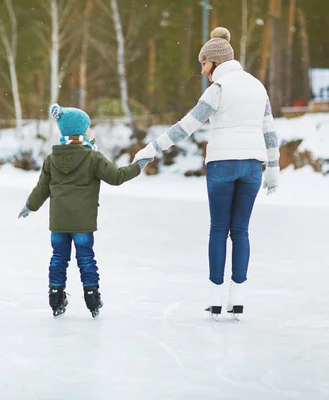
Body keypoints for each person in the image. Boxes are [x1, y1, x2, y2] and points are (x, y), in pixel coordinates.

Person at [133, 27, 280, 319]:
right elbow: (269, 130)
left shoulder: (218, 89)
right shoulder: (257, 86)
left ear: (215, 61)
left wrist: (152, 148)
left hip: (223, 165)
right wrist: (273, 169)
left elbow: (187, 125)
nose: (202, 71)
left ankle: (215, 299)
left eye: (203, 63)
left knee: (218, 229)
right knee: (240, 231)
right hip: (252, 165)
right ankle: (237, 299)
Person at [18, 104, 152, 318]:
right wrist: (137, 166)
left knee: (58, 258)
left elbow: (41, 188)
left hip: (60, 223)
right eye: (88, 127)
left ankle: (55, 295)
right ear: (81, 131)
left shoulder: (52, 159)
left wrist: (30, 206)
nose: (91, 130)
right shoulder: (92, 157)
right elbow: (116, 177)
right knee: (86, 259)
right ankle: (92, 297)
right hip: (82, 223)